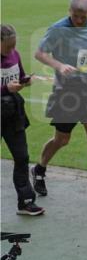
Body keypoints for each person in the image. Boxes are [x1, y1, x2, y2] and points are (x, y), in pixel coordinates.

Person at [32, 0, 87, 202]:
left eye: (83, 17)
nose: (79, 20)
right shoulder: (58, 29)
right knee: (62, 139)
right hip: (66, 90)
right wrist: (59, 66)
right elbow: (40, 54)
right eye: (75, 16)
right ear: (69, 12)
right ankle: (39, 169)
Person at [1, 24, 44, 216]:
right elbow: (7, 86)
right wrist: (5, 90)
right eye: (8, 46)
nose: (11, 50)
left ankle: (26, 200)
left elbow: (19, 76)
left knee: (22, 157)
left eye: (13, 46)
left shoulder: (14, 55)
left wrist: (25, 80)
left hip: (13, 113)